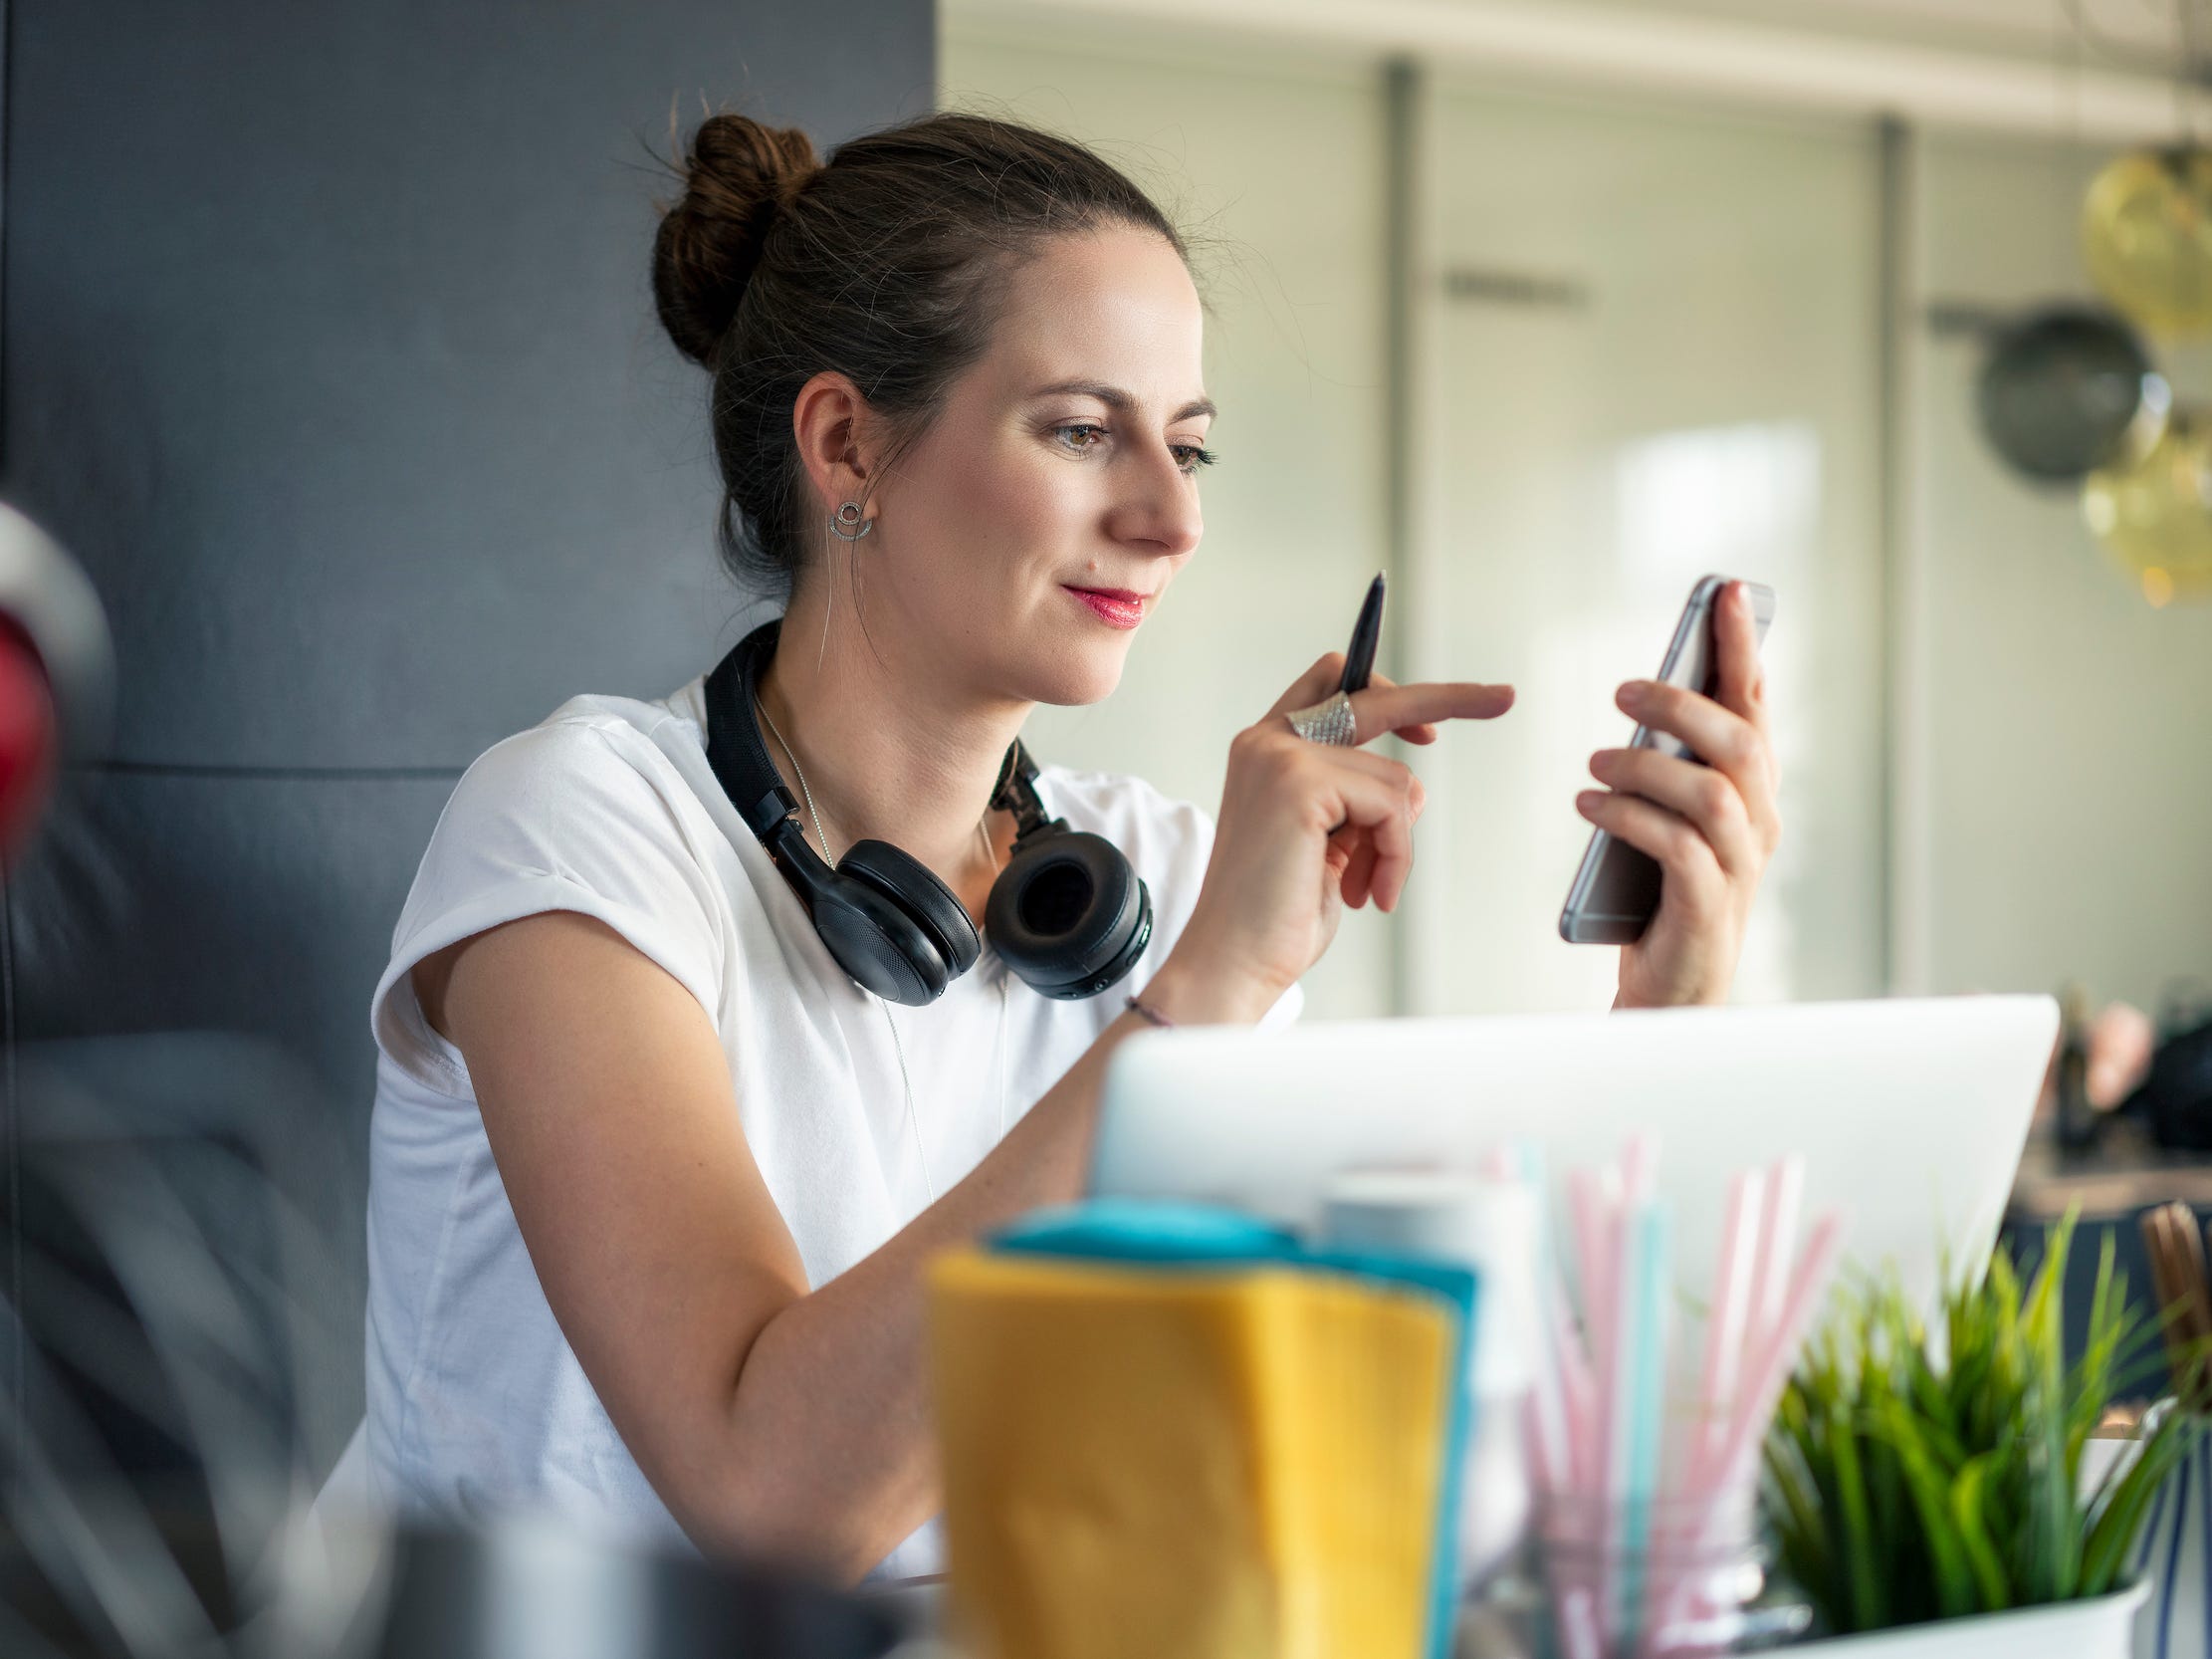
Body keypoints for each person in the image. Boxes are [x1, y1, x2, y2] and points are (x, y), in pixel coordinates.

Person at [357, 111, 1780, 1584]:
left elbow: (1374, 1432)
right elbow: (770, 1498)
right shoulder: (584, 825)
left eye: (1190, 445)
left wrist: (1663, 1021)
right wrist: (1198, 999)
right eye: (1084, 430)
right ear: (848, 445)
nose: (1169, 519)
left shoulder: (1152, 869)